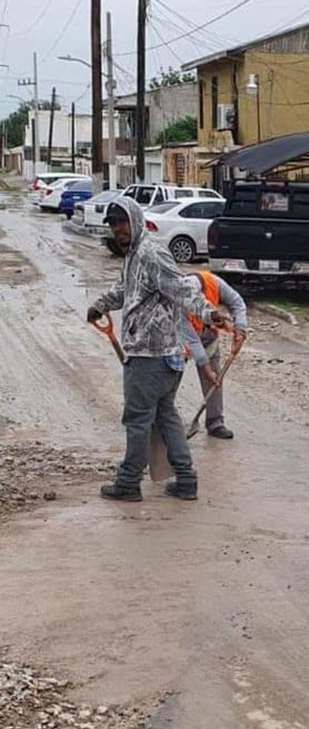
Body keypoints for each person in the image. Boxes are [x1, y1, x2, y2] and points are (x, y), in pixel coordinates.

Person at [87, 196, 228, 502]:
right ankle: (186, 478)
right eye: (113, 224)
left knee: (137, 419)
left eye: (122, 222)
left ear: (135, 220)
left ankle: (128, 482)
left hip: (152, 355)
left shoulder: (150, 253)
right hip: (165, 355)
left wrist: (207, 312)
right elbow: (126, 289)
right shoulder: (135, 255)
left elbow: (182, 288)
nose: (117, 229)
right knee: (166, 415)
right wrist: (100, 305)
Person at [183, 270, 247, 440]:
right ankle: (162, 420)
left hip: (208, 335)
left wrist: (240, 328)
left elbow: (237, 303)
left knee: (214, 379)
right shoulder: (178, 295)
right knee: (169, 380)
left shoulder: (213, 283)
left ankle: (215, 422)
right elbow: (191, 340)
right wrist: (205, 365)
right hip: (182, 340)